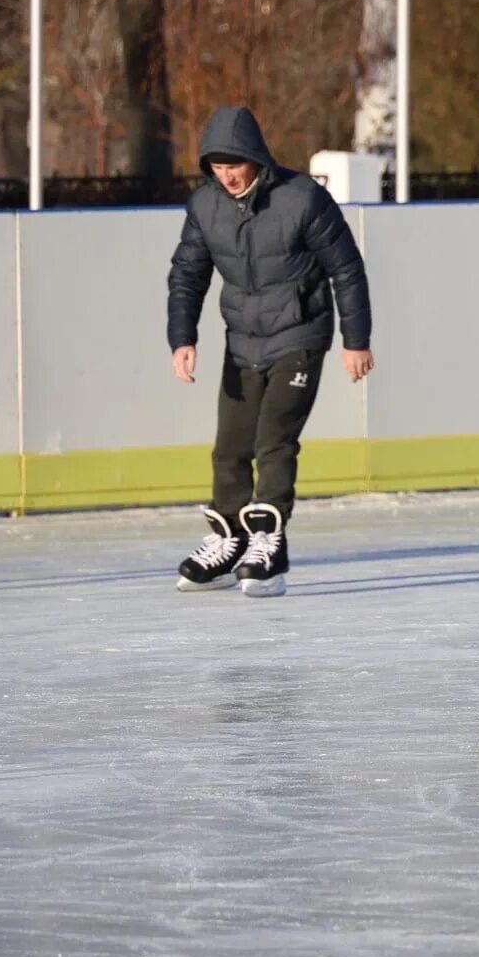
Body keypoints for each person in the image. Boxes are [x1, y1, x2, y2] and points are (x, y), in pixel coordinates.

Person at [167, 106, 374, 597]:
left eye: (234, 164)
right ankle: (230, 540)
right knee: (230, 448)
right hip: (242, 340)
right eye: (217, 168)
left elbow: (346, 268)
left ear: (256, 157)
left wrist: (356, 340)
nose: (228, 176)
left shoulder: (302, 199)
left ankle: (269, 543)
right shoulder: (205, 207)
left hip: (300, 335)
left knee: (274, 440)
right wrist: (182, 337)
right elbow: (187, 275)